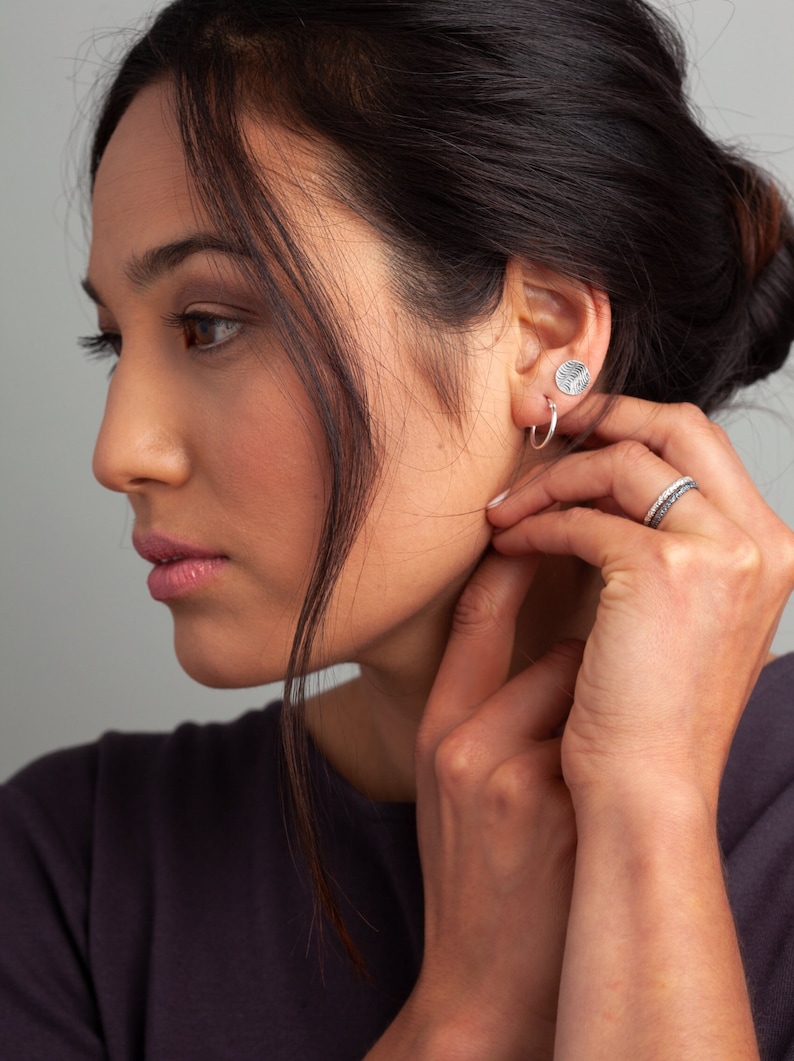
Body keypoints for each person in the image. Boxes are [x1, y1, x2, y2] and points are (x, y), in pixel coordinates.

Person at [2, 0, 794, 1057]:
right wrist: (465, 1008)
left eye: (208, 324)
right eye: (116, 343)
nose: (120, 453)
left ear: (540, 334)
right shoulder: (71, 869)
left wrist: (644, 818)